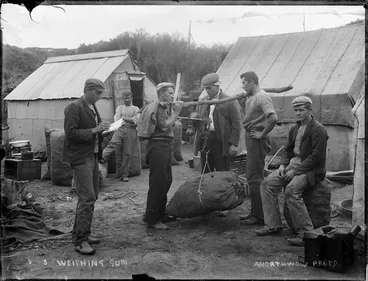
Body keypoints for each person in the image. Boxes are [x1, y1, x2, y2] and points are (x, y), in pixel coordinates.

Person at [255, 96, 328, 246]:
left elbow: (316, 157)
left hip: (311, 170)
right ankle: (273, 225)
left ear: (309, 110)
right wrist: (282, 165)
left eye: (301, 110)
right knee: (266, 184)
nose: (298, 113)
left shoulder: (318, 130)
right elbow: (288, 150)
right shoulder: (295, 128)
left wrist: (295, 172)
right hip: (292, 166)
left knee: (291, 190)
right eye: (296, 110)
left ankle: (306, 233)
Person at [63, 78, 110, 255]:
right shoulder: (74, 107)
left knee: (92, 196)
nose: (99, 97)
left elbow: (92, 130)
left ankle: (81, 233)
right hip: (81, 158)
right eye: (97, 93)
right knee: (87, 198)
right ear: (88, 90)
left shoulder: (91, 106)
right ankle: (80, 241)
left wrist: (103, 130)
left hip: (92, 156)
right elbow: (71, 134)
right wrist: (95, 130)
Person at [141, 82, 183, 230]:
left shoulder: (163, 107)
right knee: (158, 183)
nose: (172, 95)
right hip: (158, 147)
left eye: (172, 93)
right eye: (170, 93)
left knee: (166, 180)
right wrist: (176, 112)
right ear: (162, 93)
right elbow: (165, 125)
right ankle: (151, 219)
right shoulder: (158, 107)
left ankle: (159, 213)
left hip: (163, 146)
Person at [239, 71, 278, 226]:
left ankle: (260, 216)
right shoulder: (252, 97)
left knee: (255, 176)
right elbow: (251, 115)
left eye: (244, 83)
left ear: (252, 82)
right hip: (251, 137)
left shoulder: (262, 96)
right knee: (251, 175)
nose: (242, 86)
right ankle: (255, 212)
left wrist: (262, 134)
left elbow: (273, 118)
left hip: (257, 139)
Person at [193, 73, 241, 173]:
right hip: (206, 141)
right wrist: (195, 118)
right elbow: (197, 122)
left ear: (217, 85)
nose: (207, 91)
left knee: (222, 171)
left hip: (221, 142)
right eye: (205, 89)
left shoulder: (230, 101)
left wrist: (234, 144)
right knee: (206, 171)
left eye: (210, 88)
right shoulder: (202, 101)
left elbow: (236, 124)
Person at [100, 91, 140, 182]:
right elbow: (118, 119)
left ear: (131, 98)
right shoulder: (120, 108)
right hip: (120, 129)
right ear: (123, 99)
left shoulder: (135, 108)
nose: (127, 100)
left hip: (131, 130)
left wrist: (125, 118)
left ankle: (124, 175)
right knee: (113, 143)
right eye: (125, 98)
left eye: (128, 98)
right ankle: (101, 158)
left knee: (128, 153)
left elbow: (136, 120)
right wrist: (128, 119)